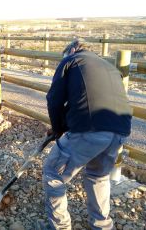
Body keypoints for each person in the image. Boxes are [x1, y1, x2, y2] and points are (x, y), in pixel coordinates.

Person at [37, 39, 132, 230]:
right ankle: (103, 226)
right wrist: (62, 126)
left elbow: (54, 100)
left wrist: (57, 129)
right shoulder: (109, 67)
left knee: (53, 174)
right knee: (98, 176)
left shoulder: (72, 60)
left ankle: (60, 227)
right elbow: (84, 101)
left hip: (91, 130)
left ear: (72, 50)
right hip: (120, 131)